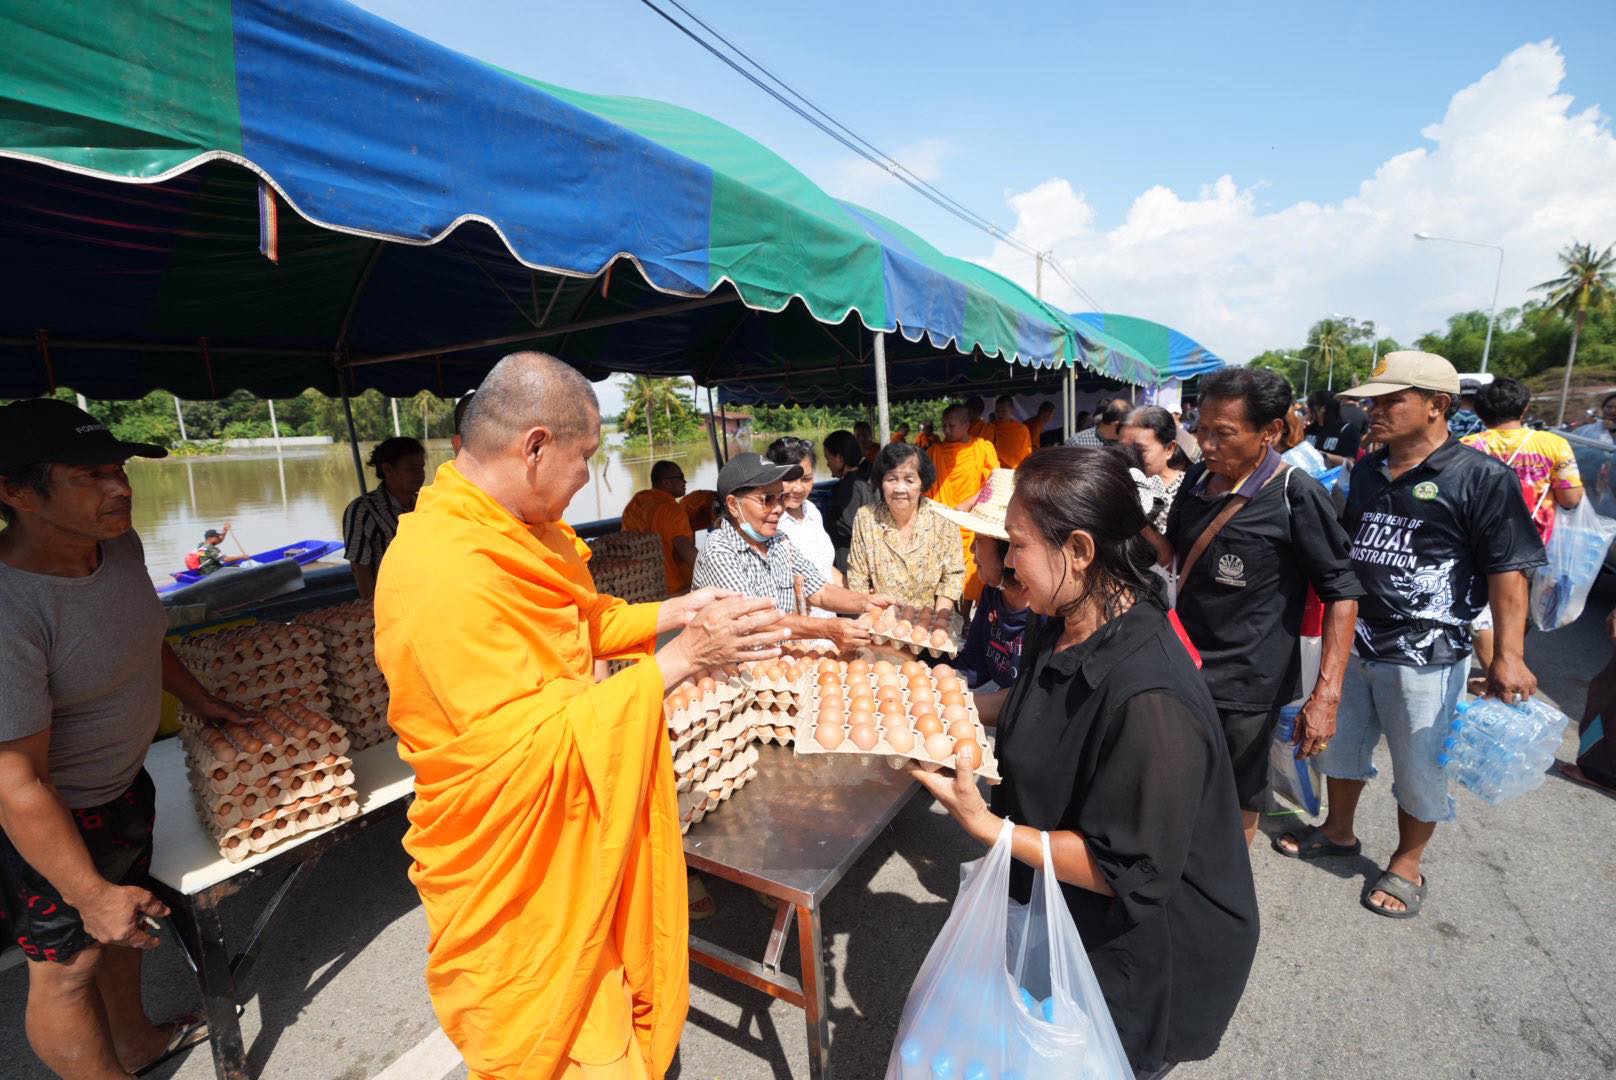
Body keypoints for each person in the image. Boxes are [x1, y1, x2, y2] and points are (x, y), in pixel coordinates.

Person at [374, 352, 790, 1079]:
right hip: (520, 861)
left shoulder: (522, 529)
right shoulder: (440, 570)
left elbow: (582, 622)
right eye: (585, 458)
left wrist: (678, 610)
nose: (587, 478)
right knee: (566, 1044)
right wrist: (682, 660)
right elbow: (526, 754)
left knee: (609, 992)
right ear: (534, 446)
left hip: (576, 821)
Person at [912, 448, 1258, 1077]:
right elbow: (1038, 697)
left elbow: (1125, 868)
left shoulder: (1150, 697)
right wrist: (946, 710)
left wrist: (986, 826)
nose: (1006, 563)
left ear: (1077, 549)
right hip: (1072, 917)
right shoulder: (1066, 616)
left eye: (1017, 545)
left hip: (1145, 955)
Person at [0, 399, 247, 1079]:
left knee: (123, 929)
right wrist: (86, 891)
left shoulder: (118, 545)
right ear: (16, 493)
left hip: (122, 787)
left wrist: (200, 700)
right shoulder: (11, 609)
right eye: (90, 476)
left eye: (120, 470)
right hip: (44, 816)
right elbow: (16, 781)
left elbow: (141, 636)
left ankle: (135, 1042)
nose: (120, 489)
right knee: (68, 967)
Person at [1278, 352, 1545, 919]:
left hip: (1428, 653)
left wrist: (1509, 655)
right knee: (1342, 746)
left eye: (1390, 400)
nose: (1373, 410)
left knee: (1420, 764)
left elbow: (1508, 570)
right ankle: (1339, 830)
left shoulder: (1481, 478)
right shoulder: (1367, 469)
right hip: (1354, 639)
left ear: (1436, 405)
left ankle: (1407, 862)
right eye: (1371, 400)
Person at [1163, 368, 1363, 844]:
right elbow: (1174, 557)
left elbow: (1341, 592)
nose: (1206, 444)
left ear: (1270, 431)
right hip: (1180, 667)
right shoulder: (1196, 479)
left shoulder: (1296, 493)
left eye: (1223, 433)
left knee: (1236, 796)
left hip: (1248, 684)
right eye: (1201, 430)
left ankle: (1227, 883)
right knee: (1177, 782)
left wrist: (1327, 695)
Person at [691, 453, 886, 650]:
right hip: (735, 664)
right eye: (767, 499)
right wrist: (828, 628)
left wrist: (867, 602)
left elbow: (819, 590)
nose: (778, 508)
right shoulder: (719, 551)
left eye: (780, 498)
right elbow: (756, 621)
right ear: (734, 505)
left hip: (774, 659)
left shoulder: (778, 541)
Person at [1461, 377, 1583, 685]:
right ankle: (1504, 667)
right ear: (1525, 408)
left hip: (1476, 540)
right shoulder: (1553, 444)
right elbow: (1571, 498)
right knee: (1517, 608)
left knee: (1480, 611)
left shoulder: (1468, 446)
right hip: (1532, 542)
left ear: (1479, 411)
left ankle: (1494, 672)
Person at [931, 468, 1031, 723]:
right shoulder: (993, 594)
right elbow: (974, 665)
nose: (972, 551)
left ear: (1006, 548)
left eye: (979, 540)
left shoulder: (1045, 611)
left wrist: (950, 709)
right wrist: (931, 679)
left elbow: (1031, 698)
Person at [848, 442, 966, 611]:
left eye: (909, 480)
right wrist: (877, 617)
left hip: (933, 619)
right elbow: (857, 578)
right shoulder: (866, 517)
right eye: (891, 479)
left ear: (922, 483)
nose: (899, 489)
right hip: (880, 619)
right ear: (881, 482)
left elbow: (953, 577)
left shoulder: (944, 518)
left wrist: (938, 620)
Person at [926, 404, 1000, 602]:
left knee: (972, 578)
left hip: (972, 523)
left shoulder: (982, 448)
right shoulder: (934, 451)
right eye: (944, 425)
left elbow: (994, 483)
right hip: (942, 523)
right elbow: (925, 488)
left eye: (951, 426)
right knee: (942, 578)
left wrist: (968, 503)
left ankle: (968, 615)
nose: (946, 430)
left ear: (966, 425)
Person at [343, 435, 426, 600]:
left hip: (426, 595)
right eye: (411, 469)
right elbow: (360, 567)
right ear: (388, 469)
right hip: (391, 600)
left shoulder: (425, 504)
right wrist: (373, 606)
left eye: (421, 468)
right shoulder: (363, 510)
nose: (420, 474)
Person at [765, 436, 841, 604]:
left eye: (806, 479)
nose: (799, 488)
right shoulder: (768, 523)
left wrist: (860, 595)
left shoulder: (811, 510)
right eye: (789, 479)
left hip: (829, 611)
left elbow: (824, 568)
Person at [621, 460, 698, 596]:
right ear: (666, 483)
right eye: (680, 478)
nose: (685, 482)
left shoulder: (636, 502)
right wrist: (710, 570)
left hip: (642, 589)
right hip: (675, 589)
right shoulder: (672, 509)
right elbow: (683, 546)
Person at [1118, 406, 1189, 533]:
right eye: (1123, 448)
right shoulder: (1114, 482)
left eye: (1140, 450)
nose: (1128, 456)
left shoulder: (1188, 489)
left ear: (1169, 449)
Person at [822, 429, 873, 573]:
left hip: (849, 558)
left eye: (828, 458)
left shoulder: (847, 486)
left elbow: (850, 526)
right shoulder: (868, 476)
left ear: (839, 458)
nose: (827, 464)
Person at [1307, 389, 1367, 466]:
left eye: (1310, 407)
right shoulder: (1309, 429)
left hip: (1333, 473)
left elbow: (1350, 463)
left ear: (1322, 409)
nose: (1308, 410)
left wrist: (1324, 455)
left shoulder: (1347, 430)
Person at [1065, 397, 1130, 448]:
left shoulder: (1130, 443)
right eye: (1127, 426)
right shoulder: (1078, 442)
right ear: (1115, 424)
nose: (1130, 430)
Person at [990, 395, 1034, 468]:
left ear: (1011, 411)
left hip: (1016, 469)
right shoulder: (990, 427)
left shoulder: (1021, 429)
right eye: (997, 411)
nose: (1000, 414)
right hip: (995, 468)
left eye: (1004, 411)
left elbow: (1026, 451)